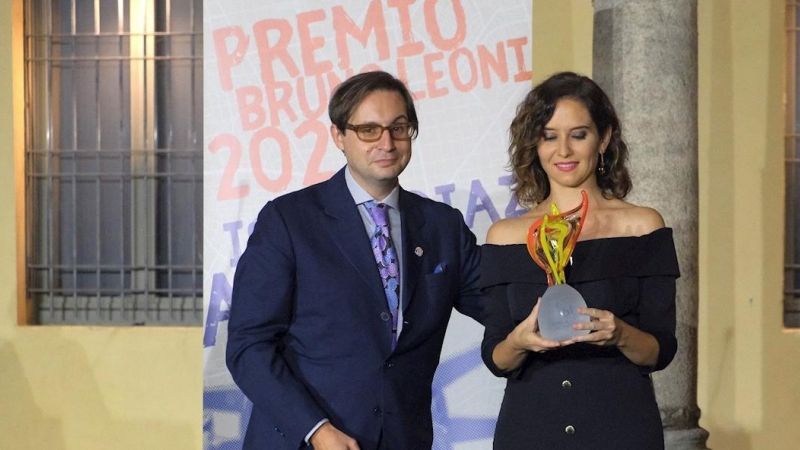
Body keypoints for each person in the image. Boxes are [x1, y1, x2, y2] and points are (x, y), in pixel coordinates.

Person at [226, 70, 484, 450]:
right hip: (305, 440)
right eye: (369, 130)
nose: (387, 143)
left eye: (398, 128)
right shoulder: (289, 221)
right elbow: (248, 346)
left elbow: (499, 302)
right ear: (339, 136)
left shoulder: (442, 227)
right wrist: (316, 429)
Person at [480, 71, 679, 449]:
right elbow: (495, 357)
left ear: (603, 139)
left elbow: (661, 349)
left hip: (620, 428)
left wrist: (620, 333)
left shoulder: (642, 226)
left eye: (579, 135)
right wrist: (520, 342)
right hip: (530, 429)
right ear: (534, 146)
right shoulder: (505, 235)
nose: (564, 151)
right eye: (549, 136)